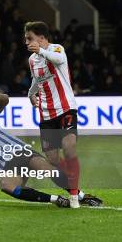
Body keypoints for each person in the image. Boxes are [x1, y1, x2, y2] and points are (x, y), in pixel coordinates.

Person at [0, 89, 102, 208]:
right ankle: (56, 200)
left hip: (20, 151)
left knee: (47, 169)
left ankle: (81, 196)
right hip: (7, 167)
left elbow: (4, 99)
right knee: (6, 185)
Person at [25, 21, 88, 208]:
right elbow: (36, 80)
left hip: (66, 108)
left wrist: (41, 51)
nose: (26, 42)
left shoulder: (57, 49)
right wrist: (30, 93)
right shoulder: (31, 60)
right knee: (52, 160)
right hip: (46, 113)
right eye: (26, 38)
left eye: (30, 38)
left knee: (69, 147)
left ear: (42, 38)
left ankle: (74, 196)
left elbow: (58, 60)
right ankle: (74, 187)